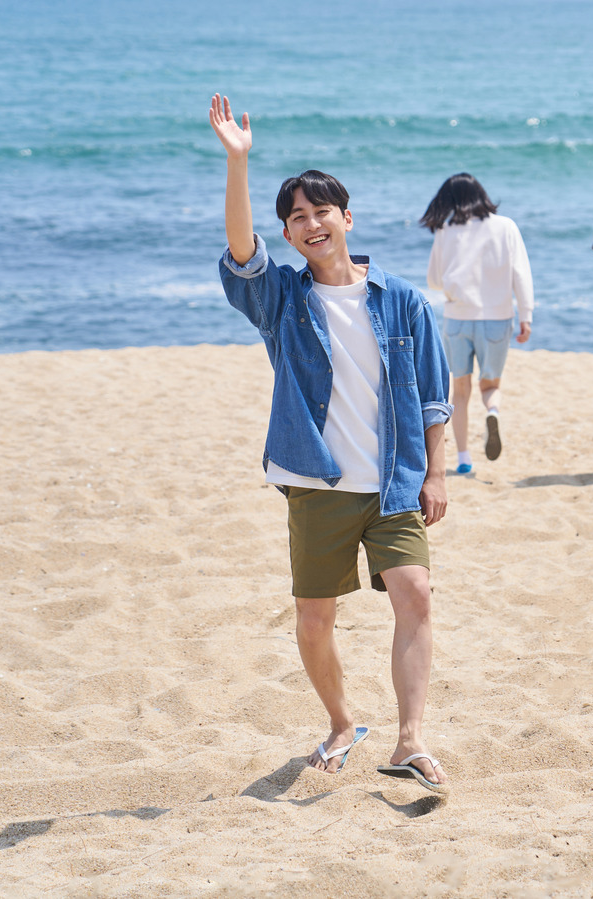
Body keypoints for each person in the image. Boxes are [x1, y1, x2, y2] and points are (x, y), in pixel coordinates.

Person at [209, 94, 451, 793]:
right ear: (288, 234)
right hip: (316, 483)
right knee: (315, 619)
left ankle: (410, 739)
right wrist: (238, 163)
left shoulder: (402, 300)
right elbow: (239, 253)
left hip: (394, 481)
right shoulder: (282, 300)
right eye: (297, 218)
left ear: (348, 218)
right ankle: (343, 722)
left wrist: (436, 472)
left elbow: (434, 395)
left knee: (416, 594)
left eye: (322, 211)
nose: (311, 224)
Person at [421, 173, 534, 475]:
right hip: (497, 319)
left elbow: (433, 279)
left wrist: (452, 292)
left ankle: (463, 458)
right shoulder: (506, 226)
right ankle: (492, 412)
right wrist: (526, 316)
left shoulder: (446, 230)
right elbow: (520, 274)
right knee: (490, 385)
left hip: (458, 318)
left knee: (460, 390)